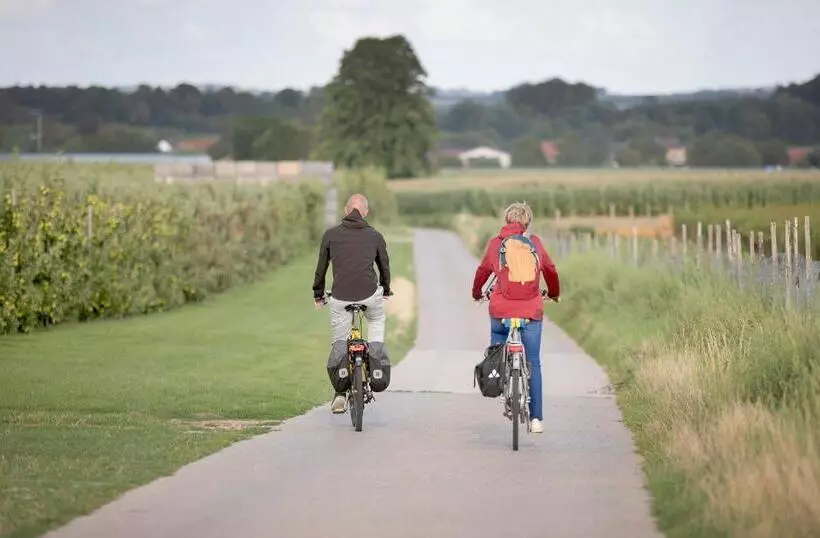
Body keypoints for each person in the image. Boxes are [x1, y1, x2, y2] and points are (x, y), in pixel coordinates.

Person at [471, 202, 560, 434]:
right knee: (534, 362)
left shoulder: (496, 244)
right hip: (531, 311)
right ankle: (536, 419)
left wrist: (476, 293)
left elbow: (482, 272)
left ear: (506, 221)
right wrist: (554, 293)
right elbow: (550, 270)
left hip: (501, 310)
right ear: (526, 223)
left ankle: (498, 378)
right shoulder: (536, 243)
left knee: (497, 345)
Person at [312, 193, 392, 413]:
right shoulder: (374, 235)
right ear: (365, 212)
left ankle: (339, 393)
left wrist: (318, 294)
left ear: (346, 211)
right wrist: (386, 289)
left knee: (340, 341)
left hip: (340, 296)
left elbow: (321, 268)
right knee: (376, 320)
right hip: (369, 295)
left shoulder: (330, 235)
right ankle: (375, 351)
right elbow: (384, 266)